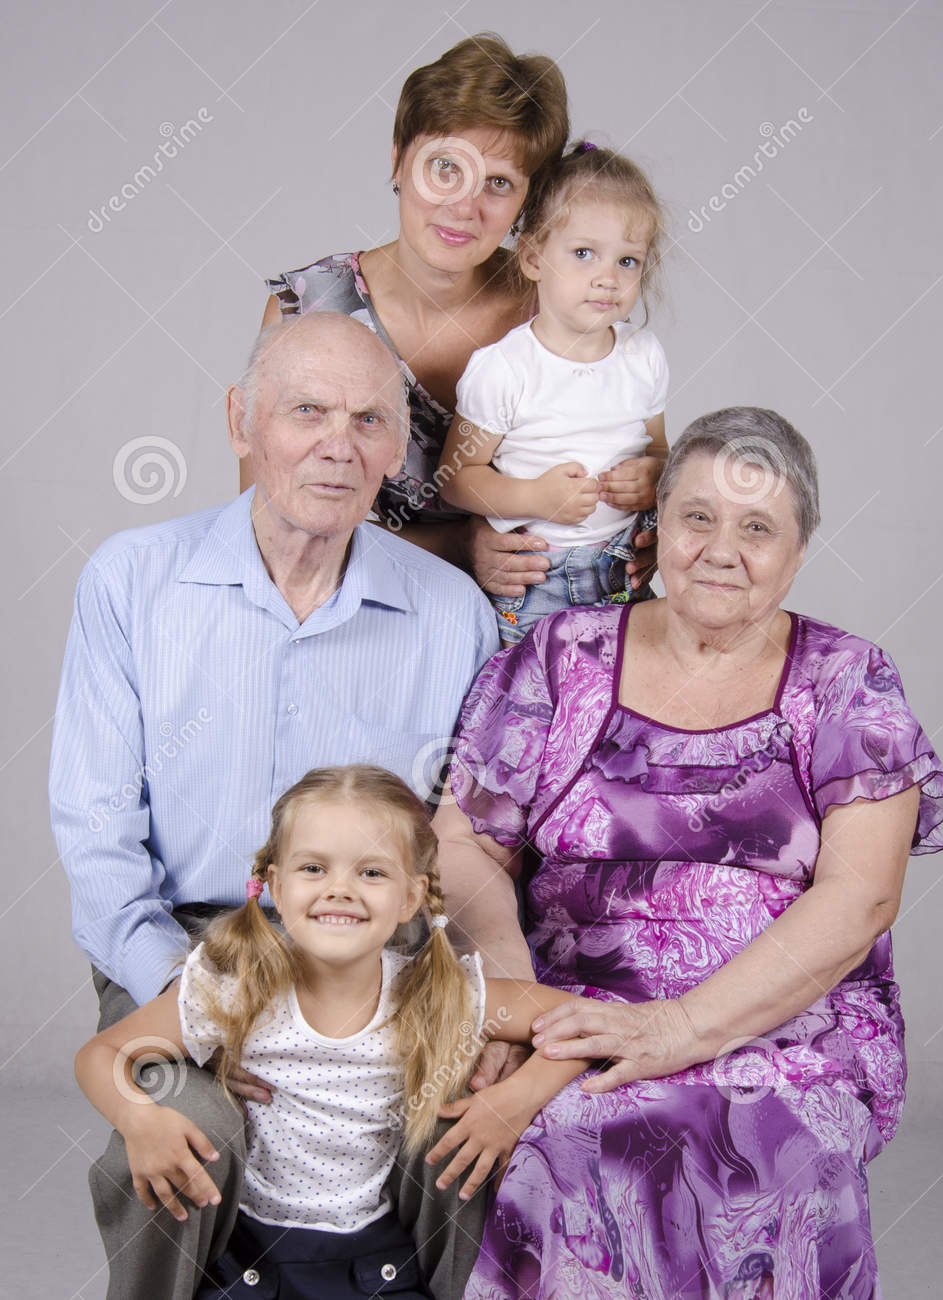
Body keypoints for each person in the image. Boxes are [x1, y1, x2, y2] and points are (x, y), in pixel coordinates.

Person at [433, 408, 943, 1297]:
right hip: (575, 1005)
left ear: (796, 552)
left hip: (788, 1018)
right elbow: (467, 839)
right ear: (658, 527)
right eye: (698, 517)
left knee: (770, 1133)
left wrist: (681, 1028)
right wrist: (520, 1011)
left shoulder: (845, 678)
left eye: (757, 527)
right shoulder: (563, 655)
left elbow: (861, 896)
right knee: (560, 1130)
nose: (721, 548)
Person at [49, 311, 498, 1299]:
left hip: (387, 954)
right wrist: (218, 997)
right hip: (185, 943)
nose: (339, 444)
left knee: (473, 1122)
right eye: (307, 411)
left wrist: (476, 999)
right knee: (185, 1131)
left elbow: (470, 849)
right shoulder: (133, 581)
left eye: (369, 419)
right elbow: (96, 832)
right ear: (240, 421)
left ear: (395, 447)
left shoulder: (453, 613)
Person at [75, 765, 598, 1300]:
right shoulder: (239, 990)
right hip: (250, 1266)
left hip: (376, 1269)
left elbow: (583, 1021)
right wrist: (140, 1120)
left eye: (371, 873)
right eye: (313, 868)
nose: (340, 890)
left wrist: (514, 1098)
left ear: (411, 898)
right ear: (275, 884)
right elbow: (104, 1053)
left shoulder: (434, 992)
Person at [258, 33, 658, 601]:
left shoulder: (562, 301)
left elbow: (635, 452)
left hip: (557, 626)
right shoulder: (311, 311)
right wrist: (461, 551)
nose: (465, 207)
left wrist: (650, 524)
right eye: (445, 168)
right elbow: (268, 529)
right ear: (398, 158)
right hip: (371, 619)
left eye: (498, 183)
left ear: (529, 204)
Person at [437, 142, 669, 646]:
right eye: (583, 253)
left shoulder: (642, 356)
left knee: (626, 711)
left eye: (628, 261)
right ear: (534, 257)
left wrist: (654, 476)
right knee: (527, 712)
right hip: (535, 578)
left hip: (620, 574)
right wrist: (533, 496)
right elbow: (456, 480)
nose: (607, 277)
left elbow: (660, 451)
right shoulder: (505, 368)